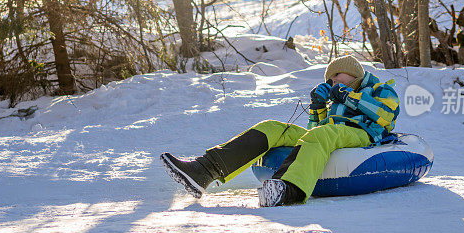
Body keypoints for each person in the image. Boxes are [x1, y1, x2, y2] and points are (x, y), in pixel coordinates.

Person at [161, 54, 400, 207]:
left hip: (363, 133)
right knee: (272, 127)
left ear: (353, 72)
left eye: (336, 75)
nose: (333, 82)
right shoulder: (338, 96)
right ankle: (204, 170)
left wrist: (349, 97)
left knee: (324, 134)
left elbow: (385, 115)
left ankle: (288, 190)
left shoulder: (380, 89)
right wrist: (317, 107)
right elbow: (313, 132)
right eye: (330, 79)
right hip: (332, 133)